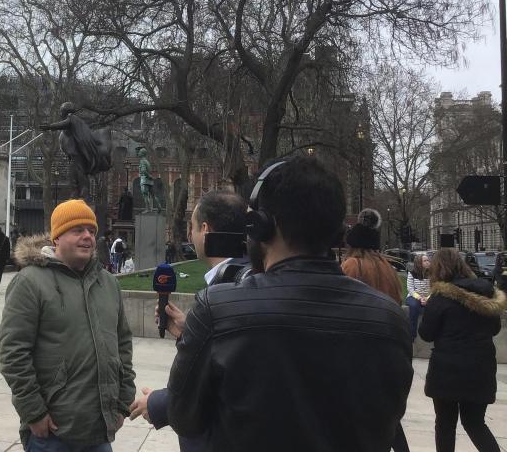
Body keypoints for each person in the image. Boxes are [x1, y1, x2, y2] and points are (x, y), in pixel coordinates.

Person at [166, 157, 412, 451]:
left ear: (261, 226)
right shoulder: (390, 319)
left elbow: (184, 417)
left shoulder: (217, 310)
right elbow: (388, 421)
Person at [0, 199, 136, 451]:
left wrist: (122, 402)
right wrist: (34, 413)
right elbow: (13, 355)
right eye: (78, 230)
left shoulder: (108, 283)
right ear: (56, 238)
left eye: (92, 231)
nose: (87, 237)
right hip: (52, 432)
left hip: (100, 431)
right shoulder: (29, 282)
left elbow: (123, 344)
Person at [129, 190, 248, 452]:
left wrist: (157, 403)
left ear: (205, 230)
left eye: (191, 227)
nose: (189, 235)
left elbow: (203, 389)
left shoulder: (225, 292)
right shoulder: (247, 277)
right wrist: (189, 333)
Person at [419, 247, 506, 452]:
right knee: (475, 423)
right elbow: (494, 329)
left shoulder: (440, 298)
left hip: (447, 370)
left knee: (445, 425)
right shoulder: (486, 292)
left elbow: (426, 334)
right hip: (481, 367)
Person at [341, 209, 409, 452]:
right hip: (389, 347)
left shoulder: (351, 266)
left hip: (361, 348)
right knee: (388, 418)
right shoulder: (387, 267)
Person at [38, 102, 112, 200]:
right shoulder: (73, 122)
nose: (60, 113)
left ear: (65, 111)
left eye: (61, 111)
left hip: (77, 155)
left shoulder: (72, 119)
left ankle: (83, 192)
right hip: (74, 155)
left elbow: (64, 124)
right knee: (74, 173)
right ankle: (76, 192)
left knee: (78, 172)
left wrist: (50, 126)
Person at [406, 253, 431, 342]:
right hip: (414, 296)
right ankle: (412, 335)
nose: (428, 262)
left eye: (428, 260)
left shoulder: (432, 273)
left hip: (428, 297)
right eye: (425, 261)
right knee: (414, 306)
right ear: (419, 263)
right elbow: (410, 289)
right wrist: (420, 298)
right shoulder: (412, 273)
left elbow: (434, 288)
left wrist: (427, 298)